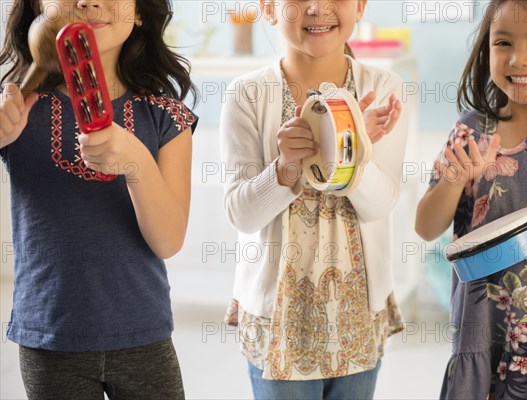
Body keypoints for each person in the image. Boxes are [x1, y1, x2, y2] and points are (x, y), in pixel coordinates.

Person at [0, 0, 198, 398]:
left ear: (141, 11)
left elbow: (168, 240)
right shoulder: (12, 109)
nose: (91, 1)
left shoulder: (166, 117)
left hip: (143, 335)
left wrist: (137, 161)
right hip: (49, 339)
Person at [220, 0, 408, 398]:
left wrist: (350, 147)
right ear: (268, 9)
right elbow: (242, 214)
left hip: (356, 314)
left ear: (359, 6)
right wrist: (286, 168)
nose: (318, 7)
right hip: (279, 321)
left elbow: (380, 204)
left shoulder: (383, 88)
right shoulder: (247, 93)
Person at [415, 0, 527, 398]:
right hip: (481, 341)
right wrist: (452, 181)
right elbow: (426, 227)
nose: (519, 59)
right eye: (503, 43)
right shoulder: (469, 129)